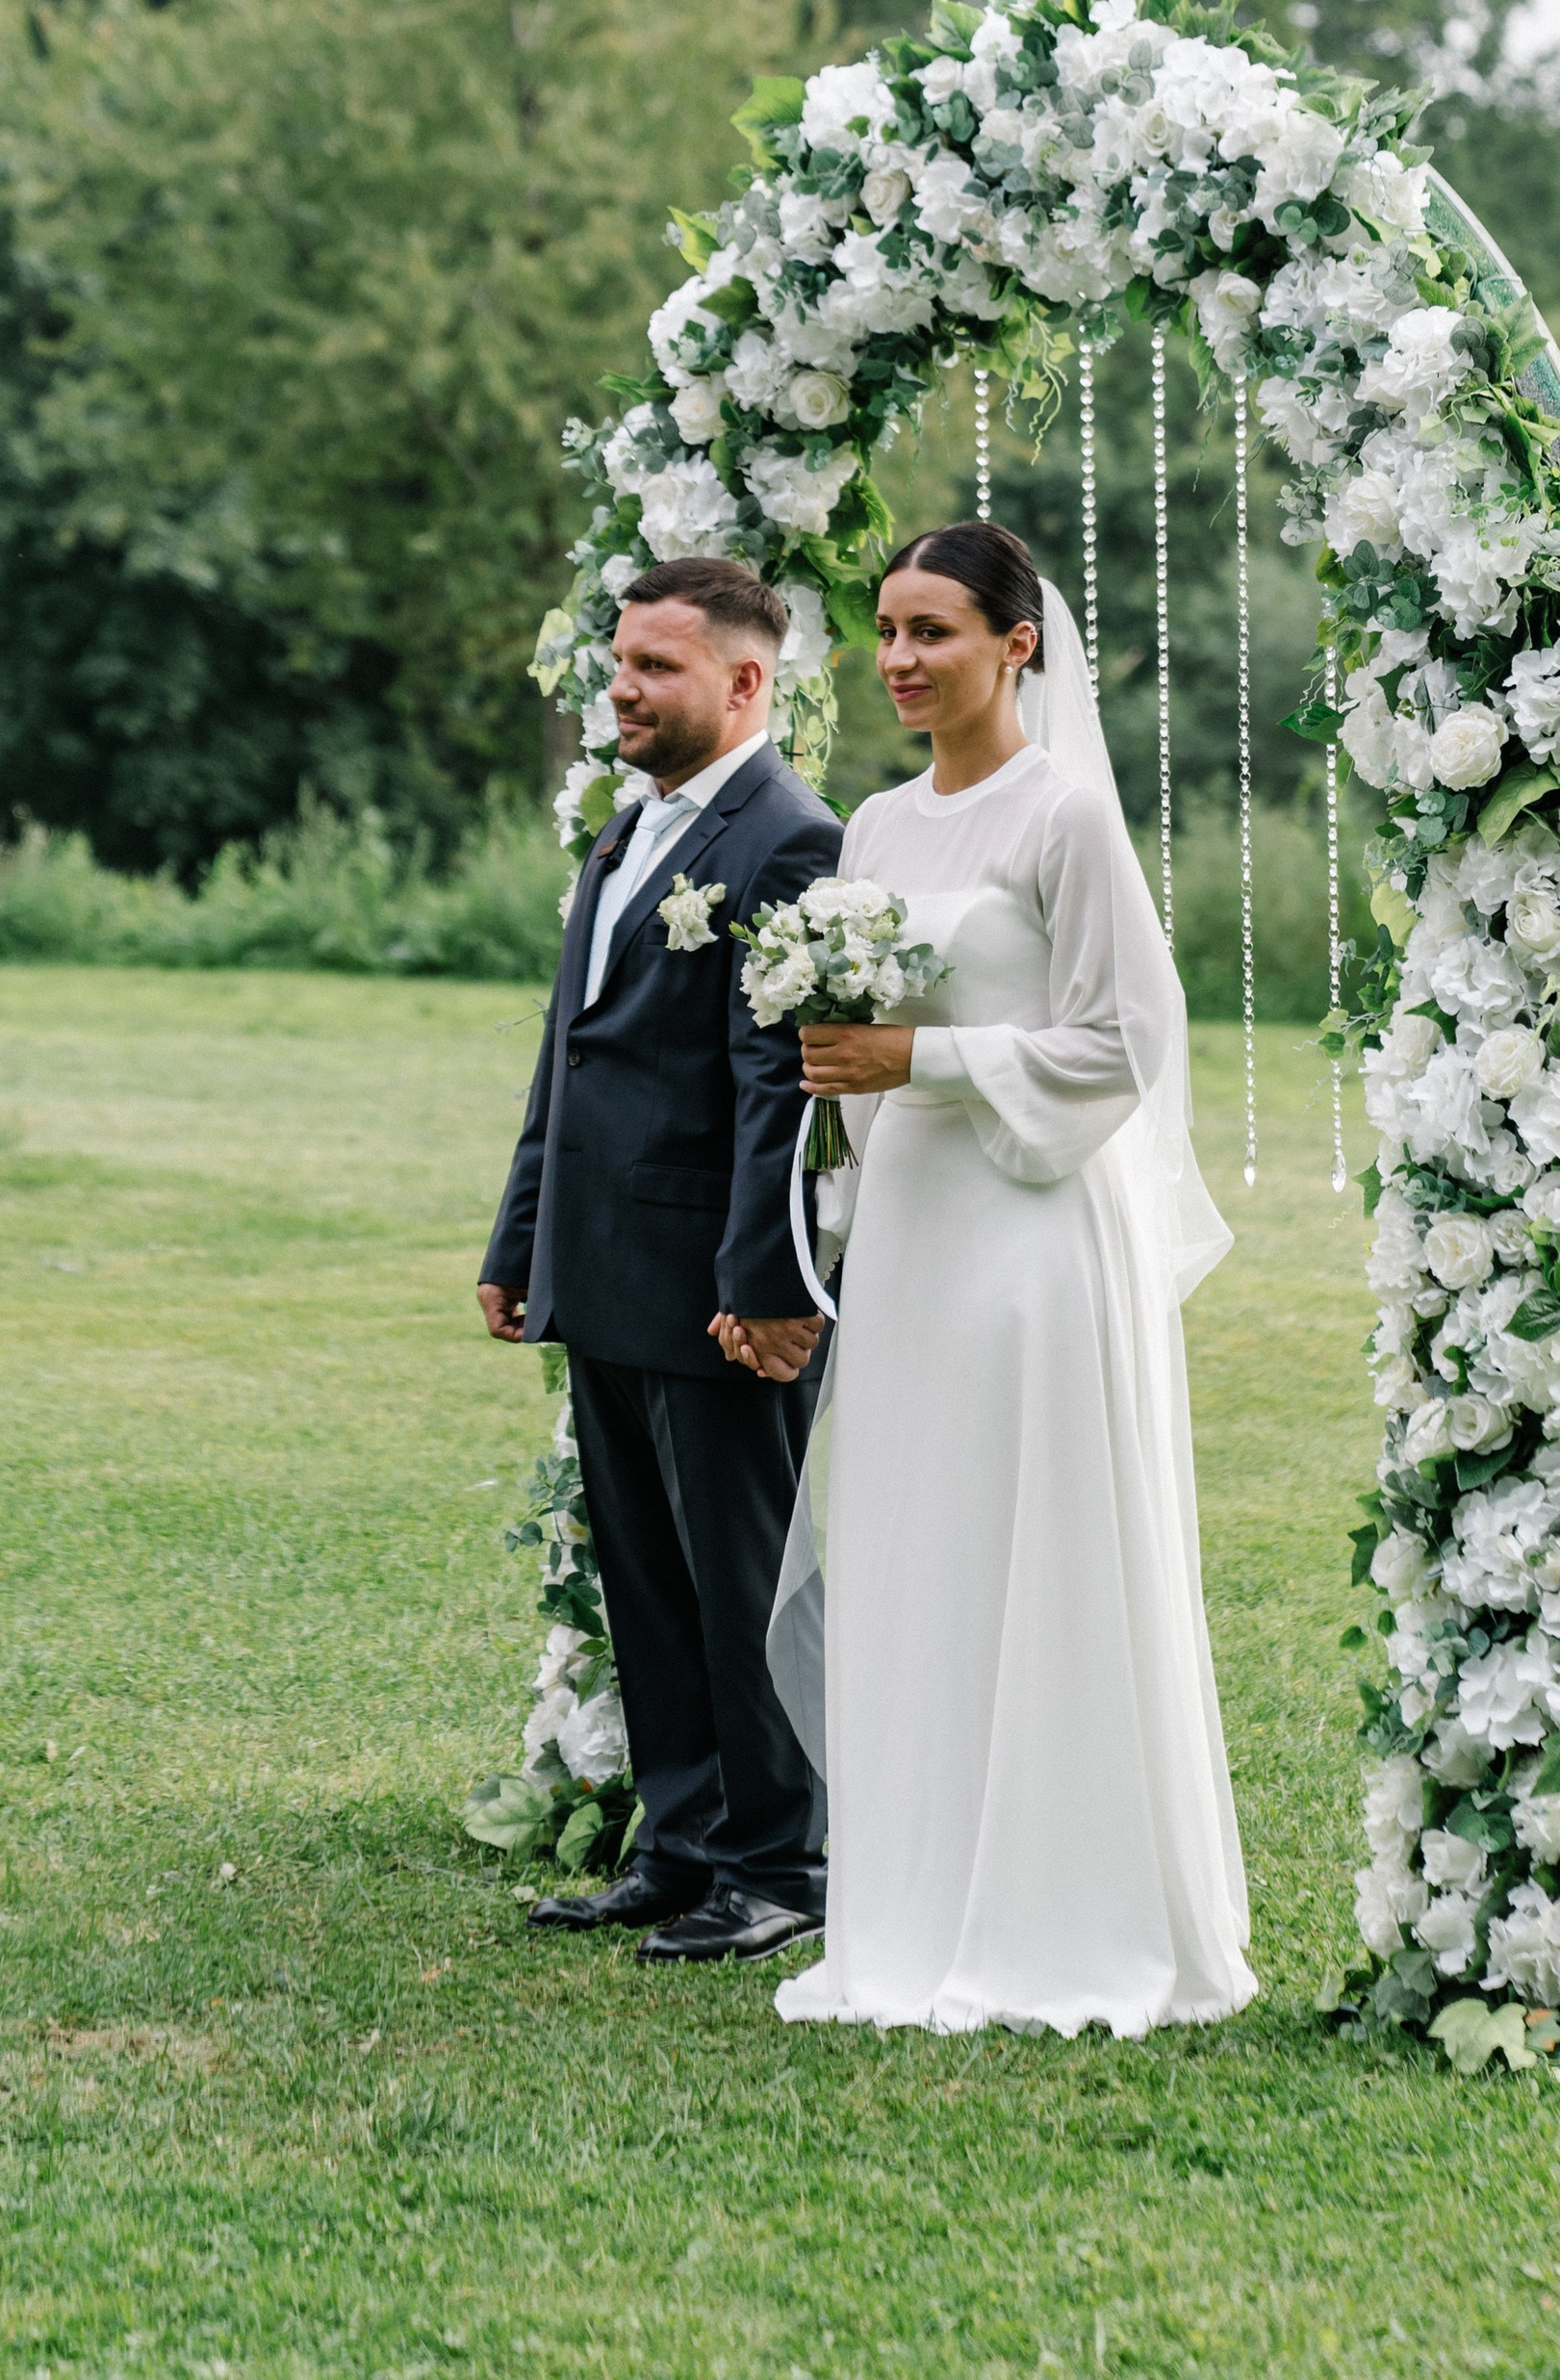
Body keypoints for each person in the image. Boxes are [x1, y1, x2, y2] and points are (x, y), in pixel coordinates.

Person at [729, 520, 1255, 2037]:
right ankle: (907, 1908)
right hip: (911, 1229)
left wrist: (926, 1059)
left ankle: (1057, 1915)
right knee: (919, 1544)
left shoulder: (1065, 817)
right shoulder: (878, 826)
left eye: (934, 631)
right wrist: (846, 1105)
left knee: (1030, 1544)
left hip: (1030, 1235)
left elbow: (1127, 1040)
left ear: (1017, 645)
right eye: (888, 631)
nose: (899, 659)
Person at [477, 553, 838, 1964]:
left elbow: (777, 1090)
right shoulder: (625, 833)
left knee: (744, 1591)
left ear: (745, 682)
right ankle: (680, 1849)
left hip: (716, 1291)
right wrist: (523, 1234)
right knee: (646, 1581)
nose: (620, 688)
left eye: (653, 667)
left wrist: (763, 1285)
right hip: (605, 1266)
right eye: (619, 662)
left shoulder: (787, 841)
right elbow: (568, 1060)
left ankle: (780, 1865)